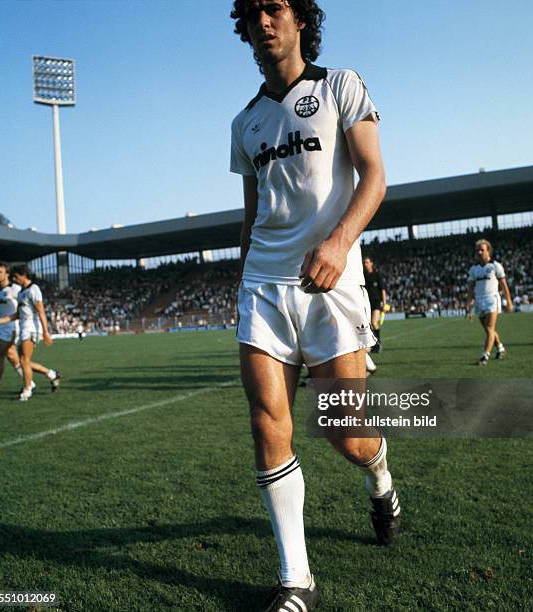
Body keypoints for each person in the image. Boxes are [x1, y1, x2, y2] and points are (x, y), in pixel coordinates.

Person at [230, 1, 400, 608]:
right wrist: (243, 279)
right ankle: (295, 580)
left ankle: (380, 477)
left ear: (300, 19)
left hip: (331, 281)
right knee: (267, 422)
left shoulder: (341, 86)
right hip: (263, 285)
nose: (263, 21)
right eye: (252, 14)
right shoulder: (244, 122)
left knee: (345, 434)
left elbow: (375, 176)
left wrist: (338, 242)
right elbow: (252, 217)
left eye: (274, 8)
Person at [0, 264, 60, 400]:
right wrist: (0, 321)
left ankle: (23, 389)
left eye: (16, 277)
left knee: (6, 357)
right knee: (20, 361)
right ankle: (50, 374)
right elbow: (19, 313)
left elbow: (40, 311)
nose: (15, 279)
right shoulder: (19, 292)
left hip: (24, 328)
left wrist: (46, 332)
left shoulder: (27, 289)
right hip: (18, 328)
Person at [466, 239, 513, 365]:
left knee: (489, 328)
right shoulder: (473, 269)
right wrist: (468, 302)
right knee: (488, 330)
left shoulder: (495, 266)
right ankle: (501, 348)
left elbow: (504, 285)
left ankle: (485, 355)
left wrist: (508, 301)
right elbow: (470, 287)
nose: (479, 252)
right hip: (479, 301)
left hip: (492, 299)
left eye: (482, 250)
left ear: (488, 251)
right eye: (477, 250)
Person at [0, 262, 31, 398]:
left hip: (13, 326)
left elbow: (24, 307)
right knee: (14, 358)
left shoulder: (15, 289)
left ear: (7, 274)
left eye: (0, 272)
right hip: (1, 328)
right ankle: (41, 378)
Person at [363, 256, 386, 353]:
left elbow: (382, 289)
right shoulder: (363, 275)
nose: (365, 264)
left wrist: (384, 302)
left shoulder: (377, 274)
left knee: (374, 322)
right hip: (367, 302)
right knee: (370, 325)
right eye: (364, 262)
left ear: (371, 263)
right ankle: (374, 344)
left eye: (367, 262)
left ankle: (378, 342)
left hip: (376, 302)